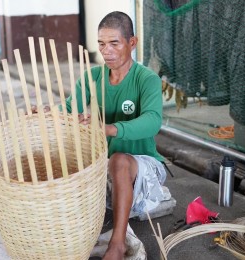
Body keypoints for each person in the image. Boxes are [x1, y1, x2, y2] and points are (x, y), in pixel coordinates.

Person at [65, 11, 167, 260]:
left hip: (143, 165)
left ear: (132, 43)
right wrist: (47, 112)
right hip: (104, 166)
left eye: (114, 43)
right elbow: (69, 110)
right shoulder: (92, 78)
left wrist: (111, 128)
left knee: (119, 159)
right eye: (101, 44)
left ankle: (118, 244)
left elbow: (153, 121)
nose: (106, 51)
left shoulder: (147, 79)